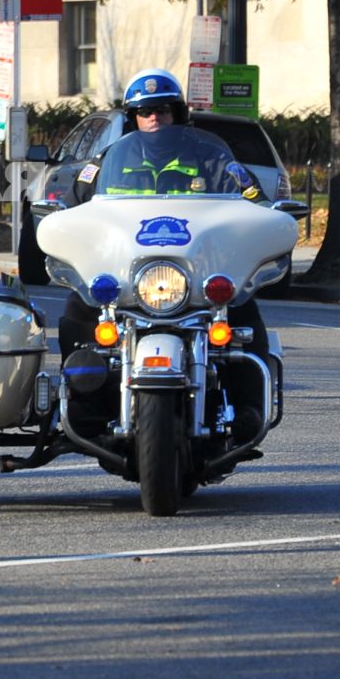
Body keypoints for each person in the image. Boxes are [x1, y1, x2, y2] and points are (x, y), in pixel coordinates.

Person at [56, 69, 270, 437]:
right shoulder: (107, 162)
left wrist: (267, 217)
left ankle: (249, 408)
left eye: (164, 110)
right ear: (132, 118)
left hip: (196, 273)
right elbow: (74, 208)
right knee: (76, 314)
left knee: (244, 313)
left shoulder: (211, 158)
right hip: (127, 275)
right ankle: (83, 405)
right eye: (145, 111)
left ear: (179, 114)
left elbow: (254, 200)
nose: (155, 118)